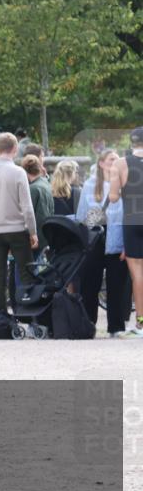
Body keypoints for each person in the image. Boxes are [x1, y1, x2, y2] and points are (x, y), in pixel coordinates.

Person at [0, 133, 38, 311]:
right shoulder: (18, 172)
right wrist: (32, 232)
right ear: (15, 149)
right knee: (26, 273)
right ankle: (30, 314)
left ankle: (0, 316)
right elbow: (27, 207)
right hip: (17, 229)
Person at [76, 149, 130, 337]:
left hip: (118, 236)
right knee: (90, 284)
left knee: (117, 286)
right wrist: (99, 215)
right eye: (110, 159)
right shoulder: (90, 185)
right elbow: (82, 217)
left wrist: (127, 244)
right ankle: (89, 324)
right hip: (96, 238)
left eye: (116, 160)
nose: (114, 163)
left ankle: (115, 327)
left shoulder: (126, 185)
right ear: (101, 163)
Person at [108, 126, 143, 337]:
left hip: (132, 220)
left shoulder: (120, 163)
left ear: (131, 143)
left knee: (137, 275)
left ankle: (141, 321)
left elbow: (113, 197)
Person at [23, 155, 54, 253]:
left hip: (35, 237)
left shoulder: (33, 189)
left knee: (25, 267)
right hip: (46, 233)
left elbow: (28, 214)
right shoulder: (46, 184)